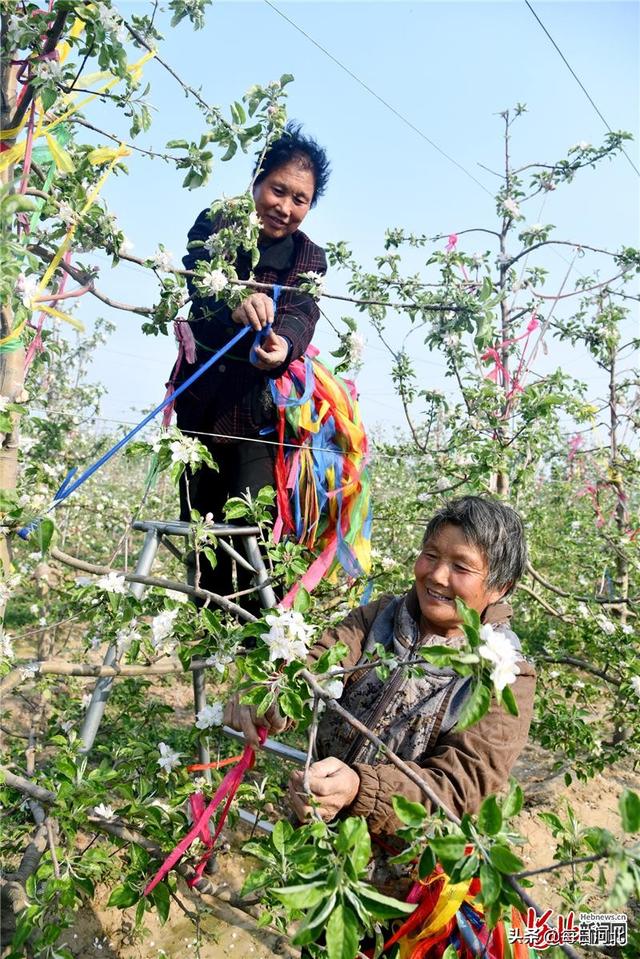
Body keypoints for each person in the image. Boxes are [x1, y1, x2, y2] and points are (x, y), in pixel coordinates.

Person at [224, 496, 536, 892]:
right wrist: (268, 693)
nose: (438, 576)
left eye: (461, 567)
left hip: (410, 872)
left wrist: (360, 789)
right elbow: (316, 665)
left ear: (499, 587)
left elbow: (461, 787)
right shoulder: (380, 617)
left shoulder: (505, 674)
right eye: (430, 555)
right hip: (326, 835)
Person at [171, 122, 330, 600]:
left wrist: (281, 345)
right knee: (204, 530)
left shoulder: (310, 259)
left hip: (258, 418)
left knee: (257, 529)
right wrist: (233, 305)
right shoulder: (217, 225)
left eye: (300, 199)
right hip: (201, 409)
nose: (285, 207)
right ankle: (207, 634)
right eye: (278, 190)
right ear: (257, 182)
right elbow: (198, 280)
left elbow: (303, 314)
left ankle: (261, 645)